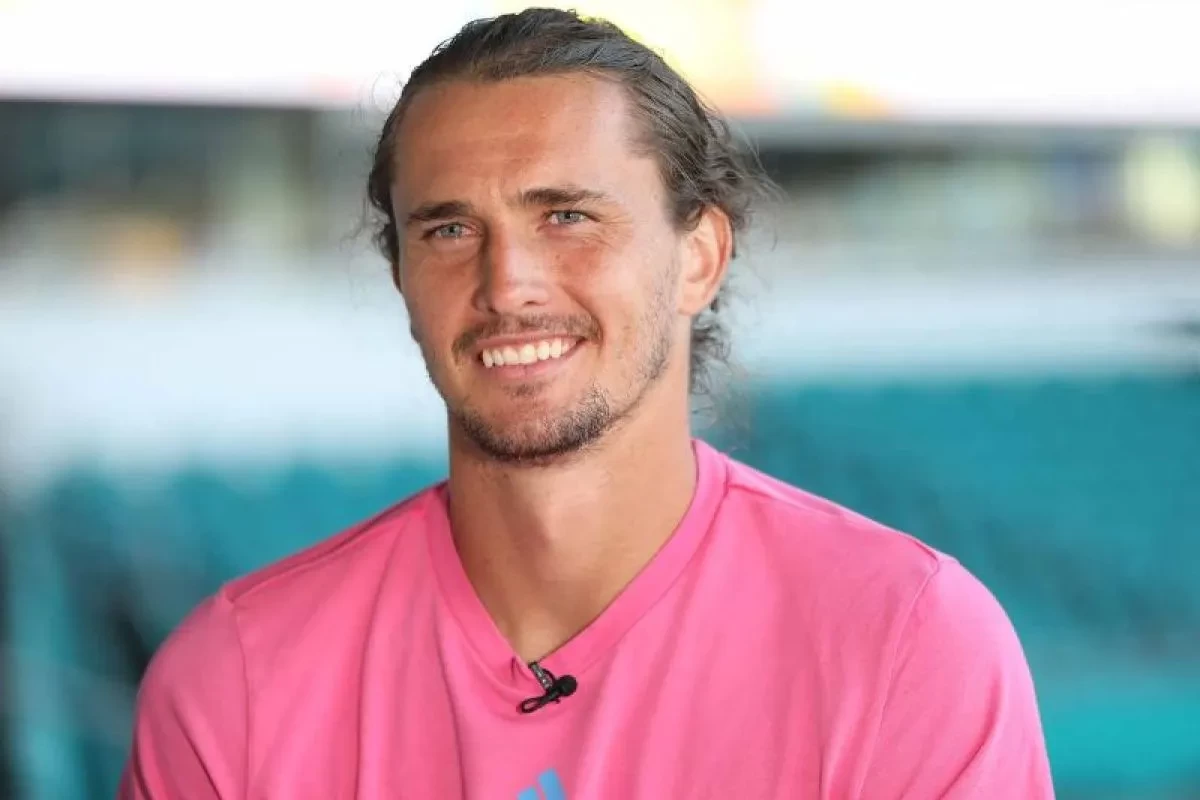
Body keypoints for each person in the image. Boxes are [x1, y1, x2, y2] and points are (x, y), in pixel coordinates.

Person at [118, 8, 1054, 798]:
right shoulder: (236, 682)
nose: (507, 284)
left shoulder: (907, 646)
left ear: (698, 257)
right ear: (401, 276)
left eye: (566, 216)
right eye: (449, 230)